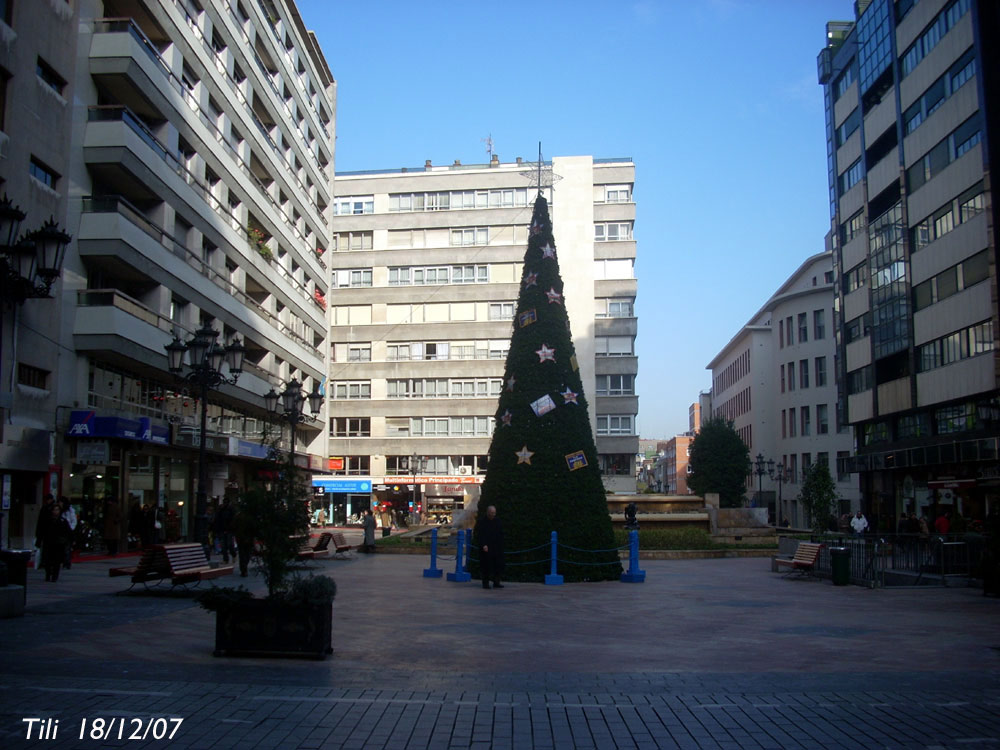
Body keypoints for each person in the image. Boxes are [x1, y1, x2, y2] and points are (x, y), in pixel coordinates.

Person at [38, 503, 71, 582]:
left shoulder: (63, 521)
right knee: (48, 561)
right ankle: (48, 574)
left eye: (57, 510)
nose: (56, 512)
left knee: (57, 561)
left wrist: (66, 541)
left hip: (58, 544)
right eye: (54, 510)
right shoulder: (47, 521)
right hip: (48, 543)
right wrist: (39, 541)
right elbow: (41, 531)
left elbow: (68, 532)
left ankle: (55, 576)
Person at [474, 505, 505, 590]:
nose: (493, 514)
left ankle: (496, 582)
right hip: (486, 547)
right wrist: (483, 544)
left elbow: (501, 533)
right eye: (491, 513)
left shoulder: (497, 521)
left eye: (494, 513)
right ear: (487, 512)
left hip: (496, 547)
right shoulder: (481, 522)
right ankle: (486, 583)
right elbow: (479, 534)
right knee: (486, 566)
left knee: (497, 565)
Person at [212, 497, 235, 563]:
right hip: (223, 529)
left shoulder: (230, 510)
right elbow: (217, 519)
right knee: (224, 545)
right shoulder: (221, 510)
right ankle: (226, 559)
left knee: (229, 544)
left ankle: (232, 555)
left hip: (228, 530)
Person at [60, 497, 77, 569]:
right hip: (61, 531)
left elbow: (74, 521)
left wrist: (71, 529)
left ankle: (66, 563)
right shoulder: (59, 510)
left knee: (67, 548)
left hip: (68, 531)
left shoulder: (70, 511)